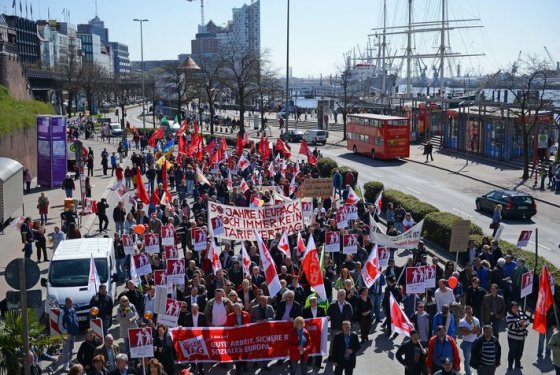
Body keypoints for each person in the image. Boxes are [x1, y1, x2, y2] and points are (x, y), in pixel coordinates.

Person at [506, 301, 528, 371]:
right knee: (512, 351)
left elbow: (527, 321)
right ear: (511, 308)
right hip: (513, 338)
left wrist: (525, 325)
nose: (516, 308)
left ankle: (517, 363)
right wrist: (519, 323)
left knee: (520, 351)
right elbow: (510, 326)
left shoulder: (521, 314)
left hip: (522, 337)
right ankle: (510, 365)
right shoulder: (509, 316)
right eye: (514, 307)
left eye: (517, 307)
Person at [59, 297, 80, 371]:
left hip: (73, 332)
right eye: (69, 302)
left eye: (71, 302)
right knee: (65, 350)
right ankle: (65, 366)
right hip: (66, 334)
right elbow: (60, 324)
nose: (71, 304)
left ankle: (70, 362)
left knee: (71, 348)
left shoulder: (72, 309)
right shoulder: (62, 311)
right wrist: (65, 331)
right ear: (66, 302)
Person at [458, 306, 480, 375]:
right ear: (465, 312)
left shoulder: (476, 320)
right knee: (467, 360)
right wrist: (473, 330)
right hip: (466, 343)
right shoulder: (462, 321)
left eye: (470, 312)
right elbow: (464, 333)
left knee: (473, 359)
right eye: (468, 312)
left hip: (475, 343)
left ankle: (468, 370)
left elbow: (478, 331)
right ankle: (468, 373)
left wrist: (469, 331)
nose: (469, 313)